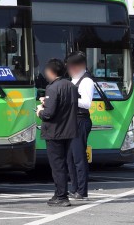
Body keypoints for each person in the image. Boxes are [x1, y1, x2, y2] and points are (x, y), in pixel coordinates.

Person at [37, 58, 79, 207]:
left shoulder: (53, 87)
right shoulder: (71, 86)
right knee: (63, 164)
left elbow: (49, 114)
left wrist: (40, 111)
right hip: (69, 130)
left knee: (57, 165)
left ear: (51, 71)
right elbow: (66, 105)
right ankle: (59, 193)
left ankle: (62, 196)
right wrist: (46, 102)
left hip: (55, 131)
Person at [66, 51, 95, 200]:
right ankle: (74, 187)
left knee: (79, 157)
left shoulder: (86, 81)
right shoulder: (74, 79)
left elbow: (86, 103)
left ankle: (82, 191)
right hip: (71, 121)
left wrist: (67, 99)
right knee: (70, 157)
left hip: (81, 120)